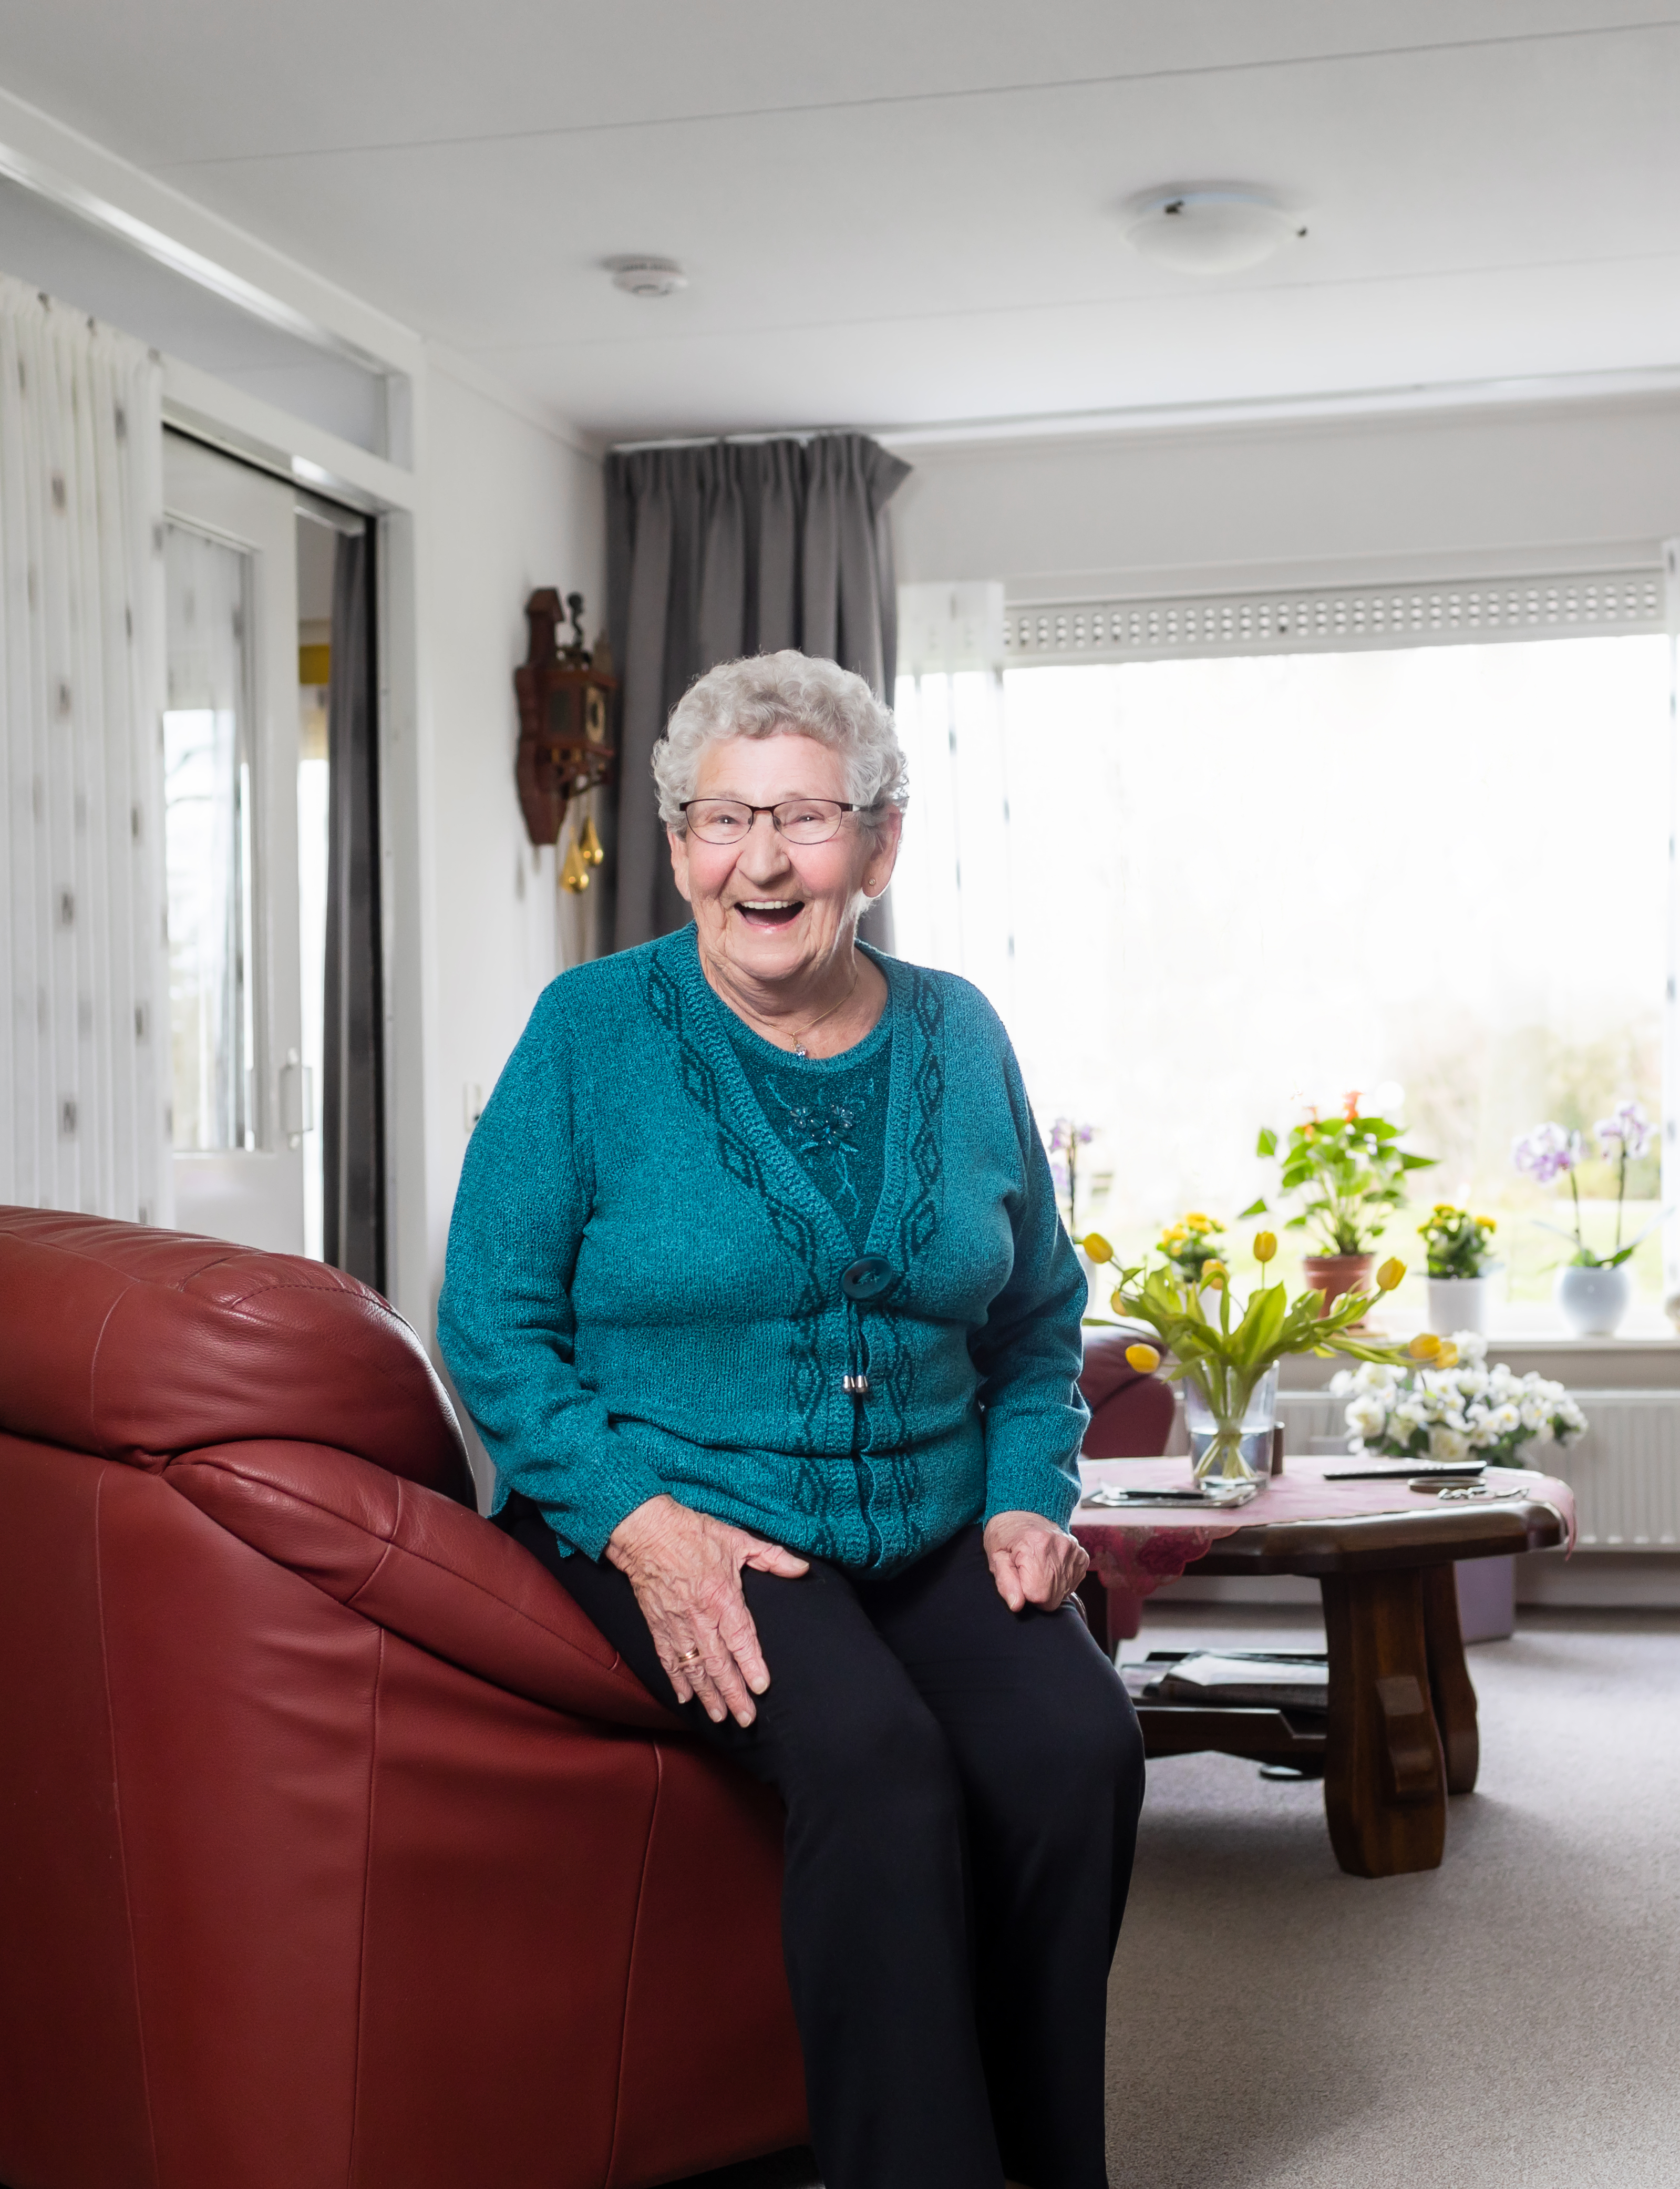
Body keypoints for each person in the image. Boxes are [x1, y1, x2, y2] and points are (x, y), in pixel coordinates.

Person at [438, 651, 1142, 2189]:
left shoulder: (963, 1035)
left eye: (807, 818)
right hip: (675, 1511)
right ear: (682, 841)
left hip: (938, 1514)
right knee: (878, 1760)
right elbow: (492, 1322)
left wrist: (1032, 1494)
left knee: (1076, 1738)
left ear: (880, 846)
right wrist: (635, 1520)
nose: (762, 859)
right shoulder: (589, 1031)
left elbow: (1036, 1313)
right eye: (723, 817)